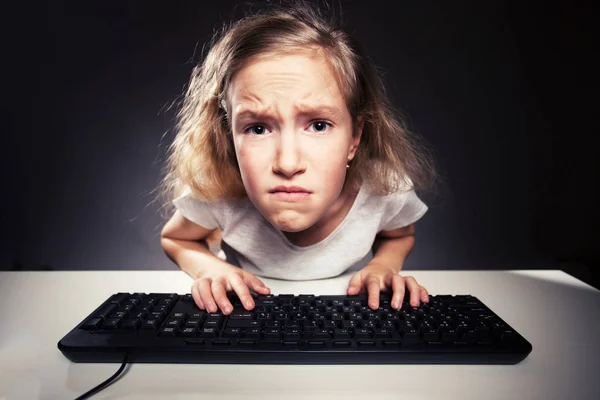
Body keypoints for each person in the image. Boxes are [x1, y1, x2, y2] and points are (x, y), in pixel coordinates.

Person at [159, 1, 438, 315]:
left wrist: (383, 266)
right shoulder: (219, 191)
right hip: (248, 319)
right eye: (258, 128)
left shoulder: (384, 187)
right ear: (228, 135)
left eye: (318, 125)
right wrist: (210, 269)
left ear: (354, 138)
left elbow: (400, 234)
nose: (288, 164)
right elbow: (177, 239)